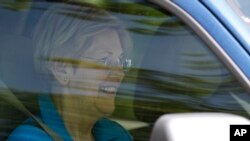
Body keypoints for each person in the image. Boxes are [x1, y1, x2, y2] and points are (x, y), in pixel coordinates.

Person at [7, 2, 133, 141]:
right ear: (61, 70)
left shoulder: (117, 135)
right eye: (104, 60)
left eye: (121, 62)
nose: (119, 73)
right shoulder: (30, 138)